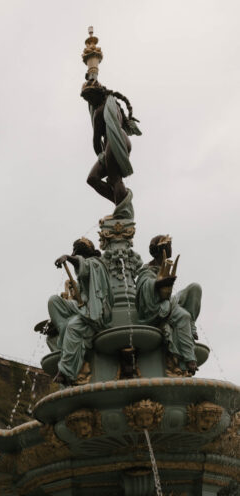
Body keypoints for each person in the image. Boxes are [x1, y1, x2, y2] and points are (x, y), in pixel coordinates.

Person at [46, 237, 113, 386]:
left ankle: (66, 371)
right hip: (83, 307)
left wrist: (68, 258)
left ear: (83, 254)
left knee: (73, 327)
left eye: (77, 252)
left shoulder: (97, 264)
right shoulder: (85, 267)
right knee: (54, 301)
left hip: (96, 311)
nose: (74, 254)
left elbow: (85, 266)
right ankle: (63, 330)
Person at [135, 234, 201, 375]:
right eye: (169, 245)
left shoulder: (164, 265)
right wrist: (160, 283)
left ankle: (192, 326)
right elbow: (144, 286)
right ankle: (189, 359)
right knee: (183, 316)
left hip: (169, 302)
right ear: (162, 249)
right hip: (156, 309)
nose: (171, 248)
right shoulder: (147, 269)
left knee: (194, 289)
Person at [82, 81, 141, 206]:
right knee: (93, 179)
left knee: (113, 178)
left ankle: (122, 211)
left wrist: (101, 156)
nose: (90, 101)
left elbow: (96, 141)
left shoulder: (100, 111)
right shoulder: (112, 103)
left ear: (98, 94)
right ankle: (122, 205)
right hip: (122, 140)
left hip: (113, 141)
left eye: (90, 98)